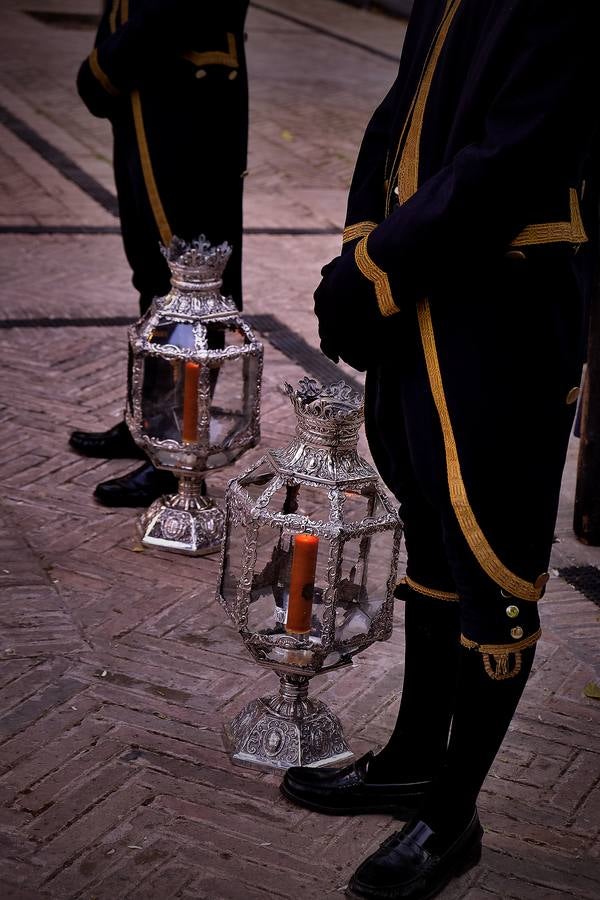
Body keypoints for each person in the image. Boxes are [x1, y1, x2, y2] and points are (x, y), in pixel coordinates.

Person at [280, 2, 599, 898]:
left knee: (492, 556)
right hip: (422, 284)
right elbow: (399, 111)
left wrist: (378, 269)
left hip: (505, 306)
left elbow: (517, 159)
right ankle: (413, 759)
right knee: (426, 515)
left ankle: (451, 813)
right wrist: (359, 250)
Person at [69, 0, 249, 507]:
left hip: (185, 100)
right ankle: (149, 427)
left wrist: (104, 70)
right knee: (155, 272)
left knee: (191, 284)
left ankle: (177, 457)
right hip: (156, 95)